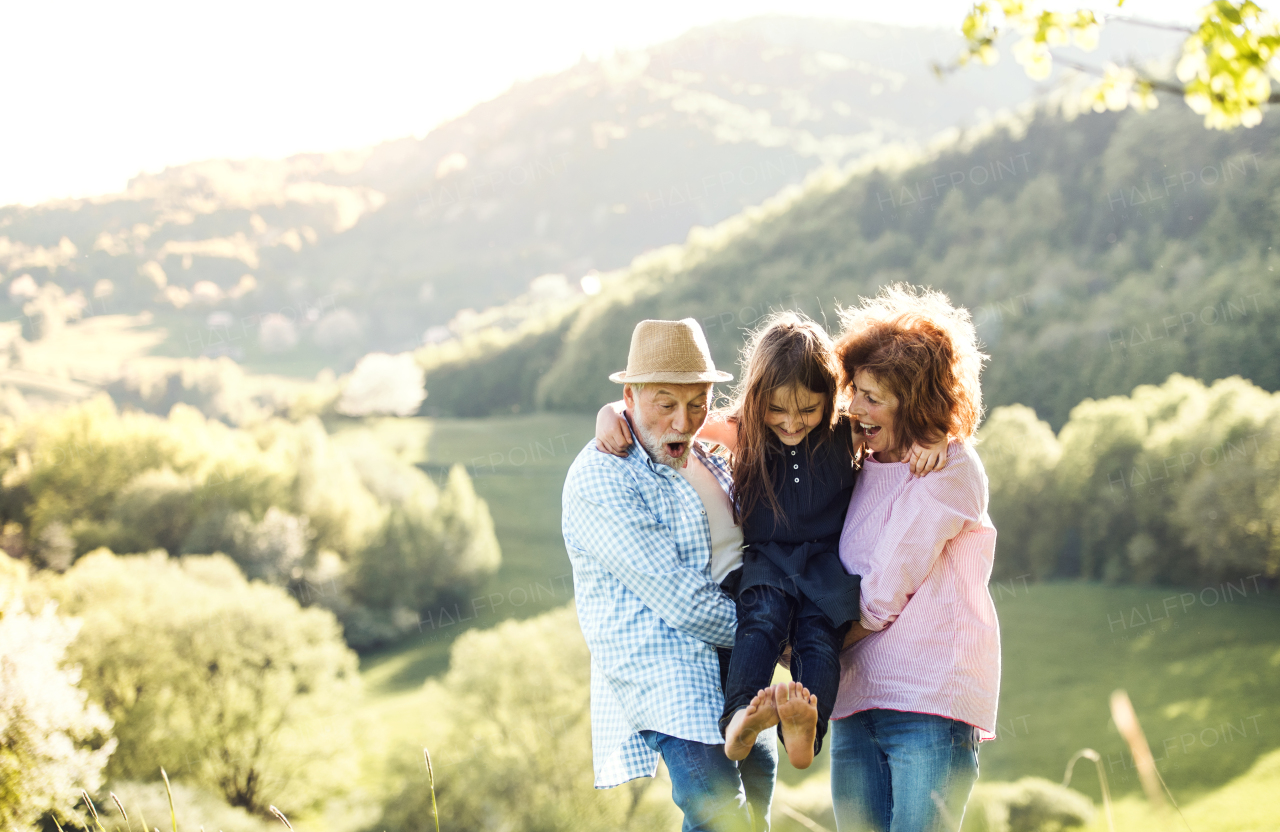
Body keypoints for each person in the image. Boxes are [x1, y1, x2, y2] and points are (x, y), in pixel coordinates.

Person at [595, 312, 947, 773]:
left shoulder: (847, 432)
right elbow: (670, 423)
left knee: (819, 640)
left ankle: (805, 733)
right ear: (759, 400)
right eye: (777, 409)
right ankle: (740, 715)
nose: (791, 422)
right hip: (766, 561)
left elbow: (893, 424)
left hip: (825, 565)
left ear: (829, 398)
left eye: (807, 409)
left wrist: (934, 436)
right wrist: (611, 414)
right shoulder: (745, 430)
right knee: (758, 623)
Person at [562, 318, 777, 832]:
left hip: (736, 660)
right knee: (719, 805)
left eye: (698, 402)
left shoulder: (708, 455)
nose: (684, 421)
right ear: (630, 395)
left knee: (760, 780)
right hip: (668, 667)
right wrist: (777, 638)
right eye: (665, 404)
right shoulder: (603, 474)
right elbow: (683, 601)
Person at [829, 284, 1000, 832]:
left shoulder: (951, 468)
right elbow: (764, 422)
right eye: (854, 390)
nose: (856, 408)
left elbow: (885, 588)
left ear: (917, 401)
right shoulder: (857, 463)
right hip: (857, 701)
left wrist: (812, 648)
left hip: (928, 705)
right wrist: (619, 412)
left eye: (873, 397)